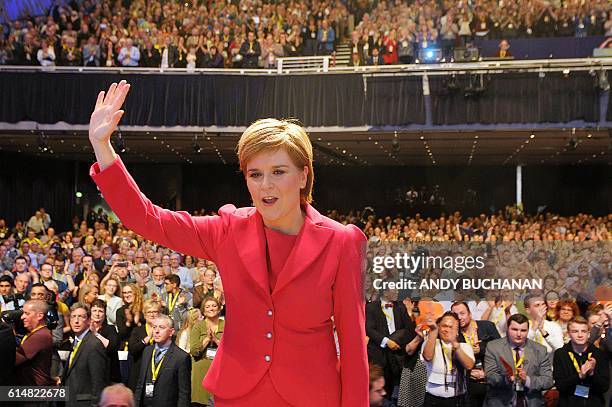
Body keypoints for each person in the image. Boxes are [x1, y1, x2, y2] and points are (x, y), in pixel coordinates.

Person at [88, 80, 368, 406]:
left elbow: (352, 347)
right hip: (238, 394)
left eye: (279, 171)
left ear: (303, 176)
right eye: (255, 174)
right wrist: (101, 145)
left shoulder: (341, 242)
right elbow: (147, 219)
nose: (266, 185)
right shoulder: (228, 230)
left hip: (311, 395)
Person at [484, 313, 553, 407]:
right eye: (514, 329)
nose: (519, 334)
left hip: (531, 402)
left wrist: (527, 380)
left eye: (523, 330)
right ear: (507, 328)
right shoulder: (494, 347)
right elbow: (490, 376)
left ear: (528, 331)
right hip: (501, 401)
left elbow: (548, 381)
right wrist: (507, 379)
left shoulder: (540, 350)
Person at [134, 314, 191, 407]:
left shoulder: (181, 357)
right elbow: (140, 384)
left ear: (171, 332)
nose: (156, 331)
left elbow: (184, 393)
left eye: (161, 327)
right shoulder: (147, 351)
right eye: (154, 327)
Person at [366, 287, 413, 399]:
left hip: (396, 354)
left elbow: (408, 328)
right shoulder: (371, 306)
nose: (397, 291)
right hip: (378, 354)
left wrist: (397, 341)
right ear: (385, 292)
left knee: (391, 389)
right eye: (394, 289)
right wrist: (387, 342)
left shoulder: (400, 306)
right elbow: (369, 329)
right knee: (378, 389)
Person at [451, 302, 500, 407]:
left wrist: (481, 349)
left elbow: (501, 350)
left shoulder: (487, 326)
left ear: (470, 314)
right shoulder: (454, 334)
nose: (459, 317)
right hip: (468, 386)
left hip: (490, 383)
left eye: (462, 313)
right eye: (455, 315)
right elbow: (452, 358)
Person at [553, 316, 610, 406]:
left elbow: (604, 387)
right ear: (568, 334)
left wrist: (592, 373)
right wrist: (579, 376)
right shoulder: (561, 354)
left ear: (588, 333)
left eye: (583, 331)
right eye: (575, 331)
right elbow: (560, 386)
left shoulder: (599, 354)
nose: (580, 335)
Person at [421, 311, 475, 406]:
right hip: (433, 400)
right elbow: (428, 357)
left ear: (457, 331)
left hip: (457, 400)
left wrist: (455, 344)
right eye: (444, 326)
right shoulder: (431, 343)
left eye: (451, 327)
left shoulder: (464, 346)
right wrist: (433, 330)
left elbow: (469, 366)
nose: (446, 330)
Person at [63, 302, 109, 407]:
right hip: (70, 401)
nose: (76, 320)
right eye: (73, 316)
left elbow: (98, 382)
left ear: (89, 320)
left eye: (81, 317)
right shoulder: (75, 342)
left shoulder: (94, 345)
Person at [191, 296, 224, 406]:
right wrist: (207, 340)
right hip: (201, 372)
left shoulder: (226, 325)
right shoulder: (198, 326)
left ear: (219, 309)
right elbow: (194, 351)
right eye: (208, 306)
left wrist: (216, 340)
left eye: (214, 306)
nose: (211, 309)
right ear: (203, 311)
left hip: (221, 372)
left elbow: (232, 350)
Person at [15, 299, 54, 386]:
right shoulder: (38, 333)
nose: (22, 317)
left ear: (39, 316)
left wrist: (7, 335)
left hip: (35, 392)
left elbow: (13, 360)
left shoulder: (40, 336)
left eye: (27, 313)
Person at [90, 299, 121, 383]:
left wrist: (96, 334)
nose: (97, 314)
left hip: (107, 372)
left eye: (100, 311)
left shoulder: (110, 329)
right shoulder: (85, 328)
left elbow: (112, 347)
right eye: (94, 310)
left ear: (105, 313)